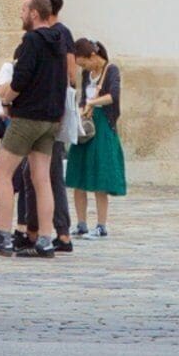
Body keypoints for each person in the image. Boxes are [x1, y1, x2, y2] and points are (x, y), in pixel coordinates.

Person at [0, 0, 72, 256]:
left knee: (1, 174)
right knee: (41, 178)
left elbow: (20, 79)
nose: (21, 14)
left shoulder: (32, 41)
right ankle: (45, 240)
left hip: (27, 118)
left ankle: (2, 235)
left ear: (34, 13)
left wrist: (6, 97)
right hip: (50, 119)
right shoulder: (60, 39)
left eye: (24, 10)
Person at [64, 40, 125, 236]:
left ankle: (101, 225)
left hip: (103, 125)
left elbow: (113, 96)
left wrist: (92, 102)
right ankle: (81, 223)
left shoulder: (111, 70)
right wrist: (82, 109)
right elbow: (82, 98)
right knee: (79, 175)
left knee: (100, 176)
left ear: (92, 56)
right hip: (86, 125)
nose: (84, 67)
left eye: (84, 63)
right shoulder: (86, 74)